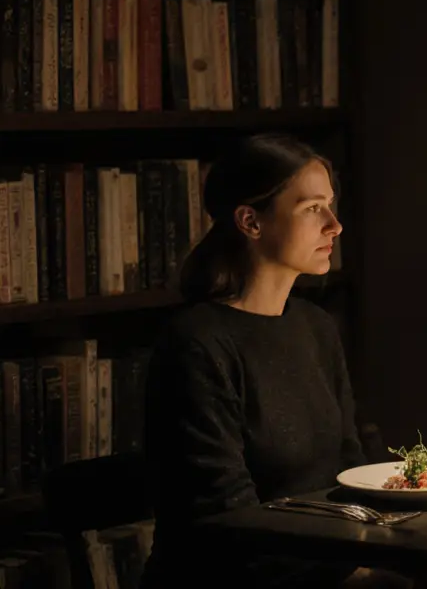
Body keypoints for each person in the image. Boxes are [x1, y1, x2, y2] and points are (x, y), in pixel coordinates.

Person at [141, 134, 402, 588]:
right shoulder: (197, 344)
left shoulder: (315, 326)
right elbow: (224, 518)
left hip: (327, 562)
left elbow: (351, 465)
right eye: (311, 208)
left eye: (331, 205)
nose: (334, 225)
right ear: (250, 221)